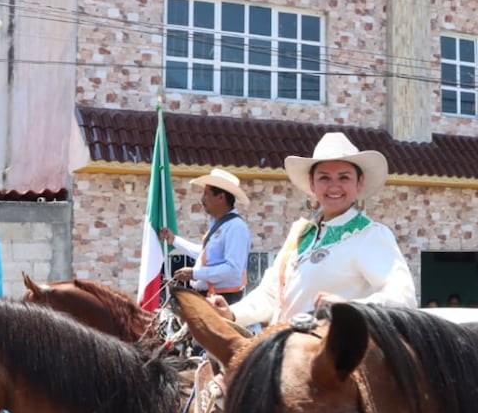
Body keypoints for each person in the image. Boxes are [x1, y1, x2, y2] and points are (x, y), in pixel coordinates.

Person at [209, 132, 416, 326]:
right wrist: (231, 313)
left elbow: (403, 298)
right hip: (289, 352)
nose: (334, 186)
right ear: (312, 184)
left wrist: (350, 309)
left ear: (359, 183)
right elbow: (271, 295)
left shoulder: (370, 235)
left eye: (344, 177)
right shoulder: (300, 234)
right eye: (324, 178)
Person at [159, 168, 252, 304]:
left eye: (206, 194)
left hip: (224, 301)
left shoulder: (236, 227)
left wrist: (194, 273)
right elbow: (207, 256)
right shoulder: (221, 225)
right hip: (207, 297)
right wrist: (175, 240)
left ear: (221, 197)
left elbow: (233, 269)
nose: (203, 200)